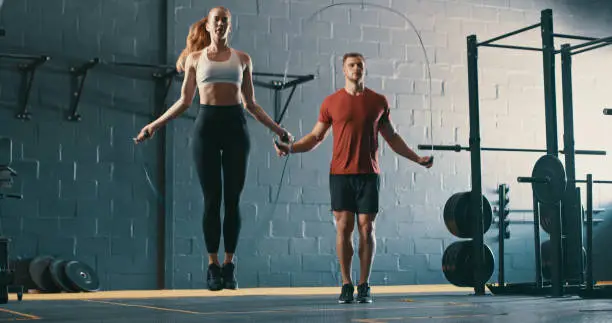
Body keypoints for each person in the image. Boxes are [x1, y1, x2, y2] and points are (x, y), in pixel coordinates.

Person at [134, 6, 292, 291]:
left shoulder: (243, 59)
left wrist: (279, 130)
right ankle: (212, 265)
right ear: (208, 26)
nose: (220, 23)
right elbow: (184, 102)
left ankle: (229, 265)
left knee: (232, 199)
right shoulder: (195, 59)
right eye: (215, 19)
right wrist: (153, 125)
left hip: (235, 128)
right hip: (206, 127)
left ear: (229, 26)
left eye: (225, 20)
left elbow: (251, 104)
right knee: (212, 199)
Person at [274, 52, 433, 304]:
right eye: (351, 65)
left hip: (369, 174)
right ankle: (347, 284)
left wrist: (417, 158)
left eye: (360, 65)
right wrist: (290, 148)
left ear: (364, 69)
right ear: (343, 70)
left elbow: (392, 138)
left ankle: (364, 284)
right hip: (340, 174)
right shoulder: (331, 102)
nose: (356, 68)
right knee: (343, 227)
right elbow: (316, 137)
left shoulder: (378, 102)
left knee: (367, 228)